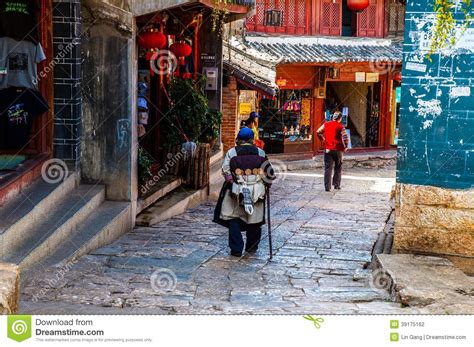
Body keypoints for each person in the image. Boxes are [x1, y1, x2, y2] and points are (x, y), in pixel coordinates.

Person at [213, 127, 273, 257]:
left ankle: (236, 249)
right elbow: (269, 174)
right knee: (255, 219)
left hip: (236, 190)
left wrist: (232, 182)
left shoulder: (232, 152)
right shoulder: (261, 153)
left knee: (234, 217)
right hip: (256, 191)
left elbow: (226, 172)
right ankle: (251, 247)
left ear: (238, 140)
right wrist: (267, 184)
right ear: (252, 140)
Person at [317, 111, 349, 192]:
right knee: (338, 167)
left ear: (333, 117)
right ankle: (336, 185)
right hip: (338, 149)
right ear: (340, 118)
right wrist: (346, 146)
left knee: (328, 168)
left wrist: (323, 140)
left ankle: (327, 187)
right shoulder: (341, 126)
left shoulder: (326, 124)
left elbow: (318, 131)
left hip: (328, 149)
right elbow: (345, 137)